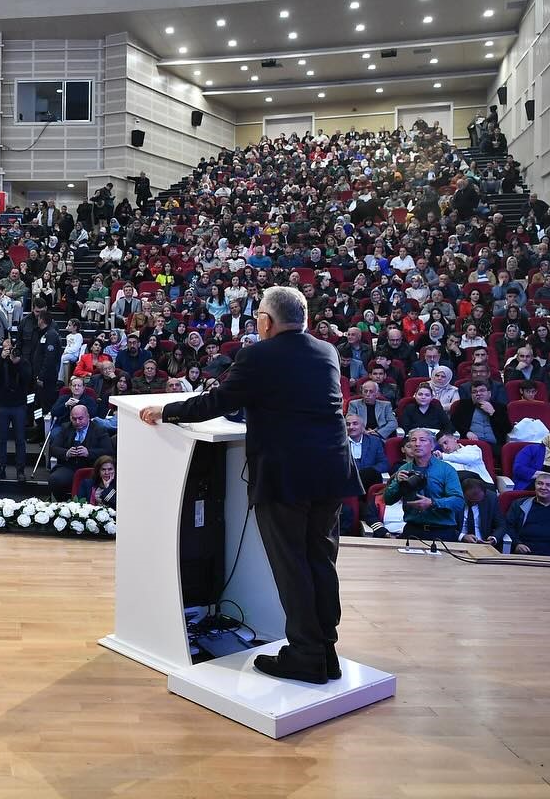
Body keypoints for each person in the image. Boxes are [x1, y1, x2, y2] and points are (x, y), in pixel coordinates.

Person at [141, 287, 360, 685]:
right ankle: (325, 651)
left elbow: (218, 401)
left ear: (265, 321)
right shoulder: (326, 352)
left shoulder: (259, 354)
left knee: (292, 565)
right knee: (321, 562)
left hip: (286, 476)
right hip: (330, 473)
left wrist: (165, 411)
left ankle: (306, 656)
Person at [384, 428, 463, 542]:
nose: (417, 444)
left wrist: (433, 503)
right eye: (413, 440)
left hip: (442, 532)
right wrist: (397, 483)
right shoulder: (404, 469)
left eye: (422, 440)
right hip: (413, 530)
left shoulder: (446, 470)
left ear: (432, 446)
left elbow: (458, 502)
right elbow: (388, 500)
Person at [49, 404, 114, 502]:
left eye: (80, 418)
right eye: (74, 419)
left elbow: (108, 451)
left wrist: (88, 452)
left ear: (88, 417)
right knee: (55, 479)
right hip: (69, 466)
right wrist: (67, 452)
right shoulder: (66, 427)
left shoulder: (99, 429)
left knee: (89, 484)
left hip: (92, 467)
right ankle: (63, 504)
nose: (77, 422)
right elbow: (53, 448)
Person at [0, 338, 32, 483]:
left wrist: (18, 362)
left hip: (19, 405)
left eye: (10, 349)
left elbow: (28, 378)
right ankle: (0, 469)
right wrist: (1, 360)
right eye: (6, 349)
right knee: (1, 439)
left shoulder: (23, 361)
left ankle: (20, 470)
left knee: (20, 440)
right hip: (2, 405)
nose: (9, 352)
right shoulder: (1, 361)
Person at [454, 475, 505, 546]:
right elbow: (444, 527)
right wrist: (462, 536)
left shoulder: (491, 498)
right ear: (462, 494)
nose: (473, 503)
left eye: (477, 501)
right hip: (456, 543)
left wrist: (494, 538)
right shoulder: (454, 498)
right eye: (470, 501)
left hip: (483, 543)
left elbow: (501, 525)